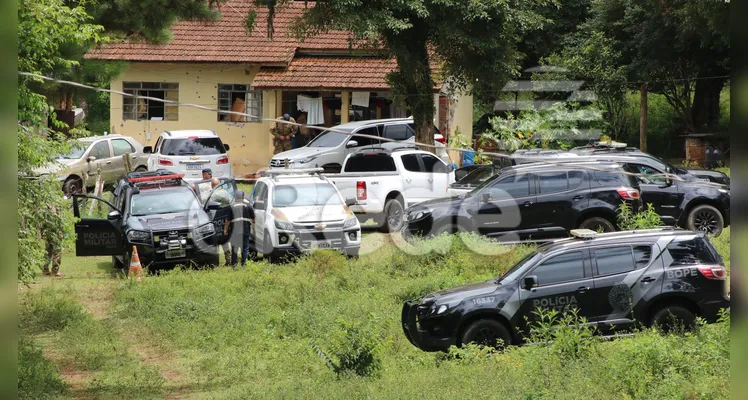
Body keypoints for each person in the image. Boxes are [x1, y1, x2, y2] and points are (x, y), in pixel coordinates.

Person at [228, 190, 256, 266]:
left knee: (235, 248)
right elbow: (254, 220)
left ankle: (234, 264)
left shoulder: (232, 206)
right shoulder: (248, 206)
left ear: (236, 197)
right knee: (245, 247)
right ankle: (244, 263)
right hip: (246, 230)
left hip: (235, 231)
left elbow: (228, 220)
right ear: (243, 197)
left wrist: (225, 229)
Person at [42, 203, 64, 277]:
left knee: (48, 251)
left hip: (48, 231)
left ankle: (45, 270)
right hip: (55, 231)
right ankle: (55, 271)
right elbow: (57, 220)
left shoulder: (46, 204)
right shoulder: (55, 204)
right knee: (57, 251)